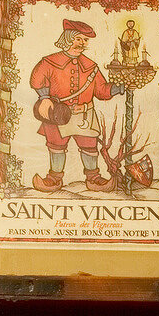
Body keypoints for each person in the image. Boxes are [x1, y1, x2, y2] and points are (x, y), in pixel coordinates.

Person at [30, 18, 125, 193]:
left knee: (89, 147)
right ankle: (53, 179)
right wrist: (44, 98)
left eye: (85, 40)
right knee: (56, 146)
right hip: (57, 114)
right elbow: (37, 79)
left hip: (84, 115)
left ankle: (94, 179)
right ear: (68, 38)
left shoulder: (91, 66)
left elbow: (101, 90)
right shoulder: (49, 62)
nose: (82, 43)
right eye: (78, 39)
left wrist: (117, 88)